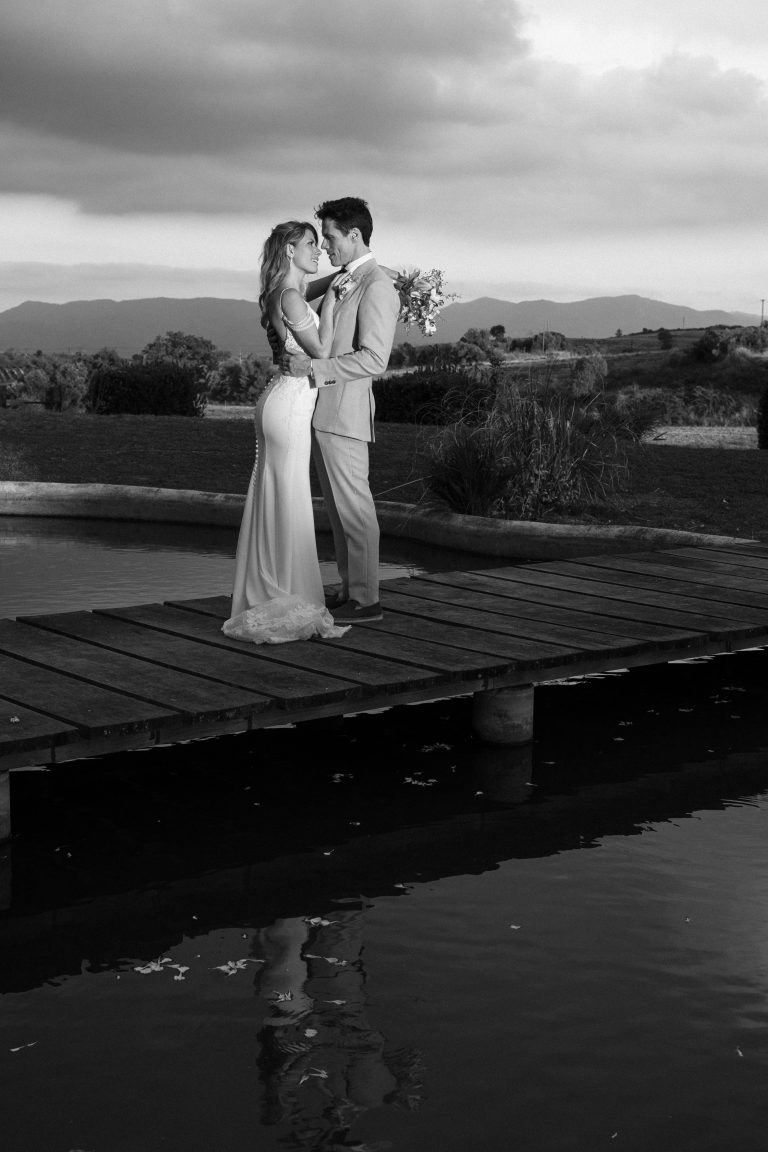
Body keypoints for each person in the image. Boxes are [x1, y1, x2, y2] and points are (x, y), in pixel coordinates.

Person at [222, 221, 350, 644]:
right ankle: (286, 595)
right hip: (290, 404)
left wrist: (350, 274)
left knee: (275, 494)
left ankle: (272, 587)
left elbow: (320, 285)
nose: (318, 251)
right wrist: (333, 302)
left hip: (279, 401)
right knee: (288, 497)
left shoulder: (283, 292)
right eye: (311, 244)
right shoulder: (293, 296)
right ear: (290, 249)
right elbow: (321, 352)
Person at [281, 197, 400, 624]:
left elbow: (374, 359)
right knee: (337, 510)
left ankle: (367, 601)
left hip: (346, 413)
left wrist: (313, 367)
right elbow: (291, 291)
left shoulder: (376, 286)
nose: (326, 245)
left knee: (356, 510)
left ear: (354, 235)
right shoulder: (348, 278)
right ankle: (351, 590)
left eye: (329, 237)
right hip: (324, 412)